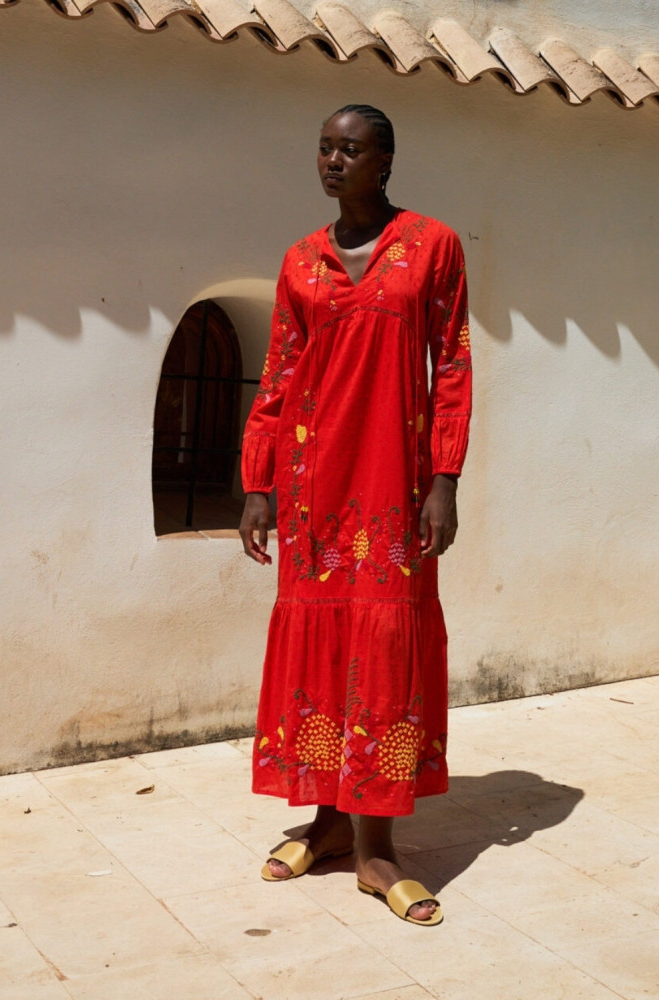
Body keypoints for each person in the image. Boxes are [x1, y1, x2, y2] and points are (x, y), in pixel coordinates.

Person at [239, 104, 471, 926]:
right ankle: (328, 823)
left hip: (395, 482)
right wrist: (259, 482)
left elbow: (451, 364)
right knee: (319, 647)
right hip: (312, 486)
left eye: (351, 150)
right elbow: (277, 373)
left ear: (386, 162)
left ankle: (378, 850)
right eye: (325, 149)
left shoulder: (432, 246)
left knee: (385, 646)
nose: (333, 162)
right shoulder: (300, 260)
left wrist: (444, 475)